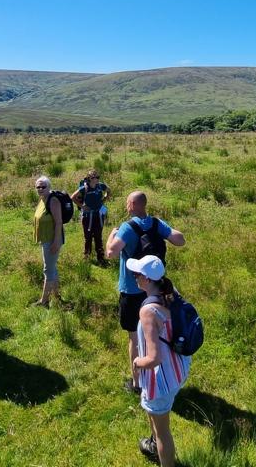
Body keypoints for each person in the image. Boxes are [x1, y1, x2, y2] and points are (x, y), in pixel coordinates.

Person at [106, 191, 185, 394]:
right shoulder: (157, 223)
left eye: (127, 203)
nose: (126, 205)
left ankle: (137, 382)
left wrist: (111, 236)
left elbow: (111, 253)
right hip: (156, 288)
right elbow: (180, 240)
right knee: (157, 332)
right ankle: (165, 371)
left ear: (132, 205)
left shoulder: (127, 228)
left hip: (132, 290)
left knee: (134, 336)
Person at [128, 254, 190, 466]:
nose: (135, 278)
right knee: (156, 418)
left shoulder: (148, 311)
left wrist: (136, 363)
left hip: (160, 380)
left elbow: (154, 359)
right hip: (178, 368)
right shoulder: (171, 292)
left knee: (163, 431)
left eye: (137, 274)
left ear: (146, 279)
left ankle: (164, 458)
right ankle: (154, 443)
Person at [33, 175, 64, 307]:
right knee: (52, 268)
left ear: (49, 187)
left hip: (52, 240)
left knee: (48, 270)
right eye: (38, 187)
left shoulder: (53, 201)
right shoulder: (42, 199)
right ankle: (57, 296)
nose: (40, 189)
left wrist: (56, 242)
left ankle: (44, 301)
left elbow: (58, 222)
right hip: (46, 239)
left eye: (43, 186)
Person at [71, 169, 110, 266]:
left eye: (98, 177)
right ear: (89, 179)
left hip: (98, 215)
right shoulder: (84, 188)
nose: (96, 179)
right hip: (88, 216)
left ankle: (100, 257)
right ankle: (87, 256)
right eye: (94, 177)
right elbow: (73, 197)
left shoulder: (101, 186)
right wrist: (82, 206)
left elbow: (108, 191)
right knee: (88, 237)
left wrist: (104, 199)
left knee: (98, 236)